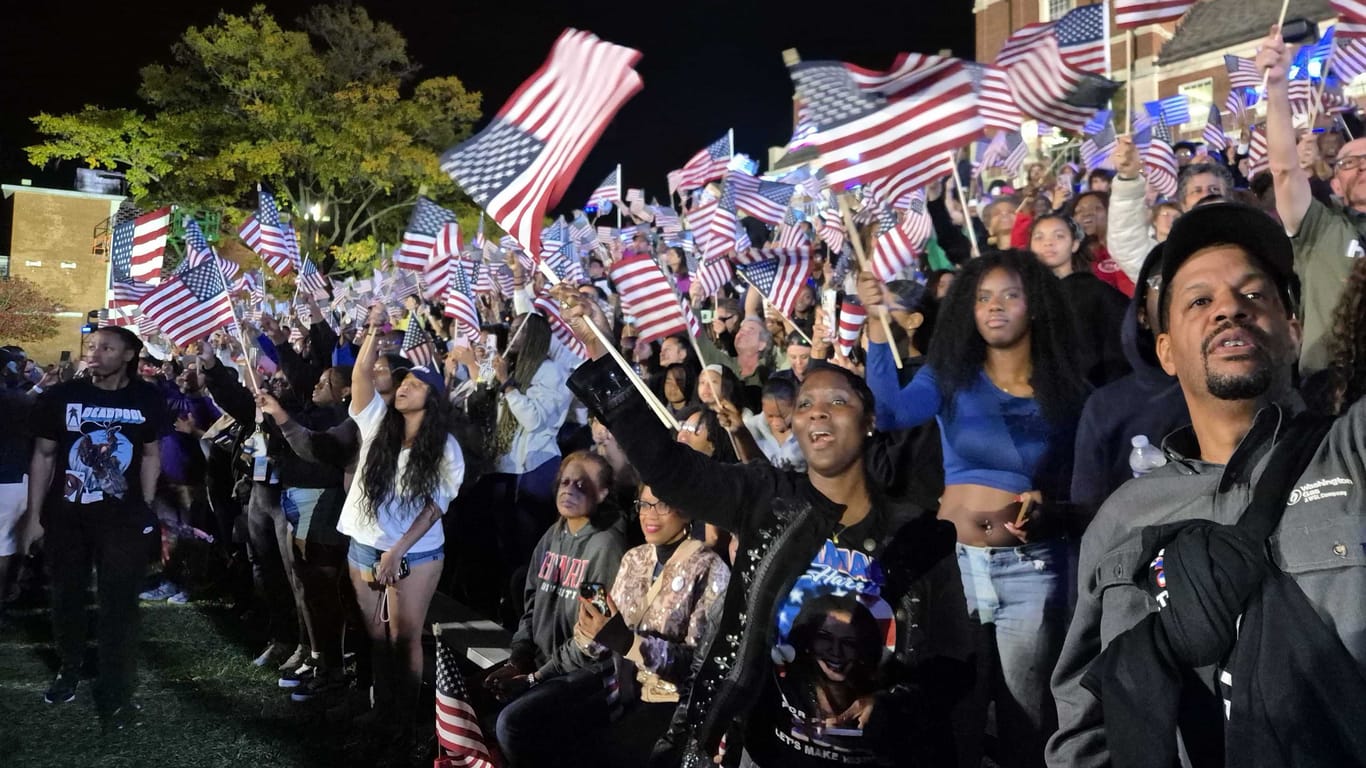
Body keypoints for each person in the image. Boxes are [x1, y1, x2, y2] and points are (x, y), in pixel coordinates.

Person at [561, 286, 973, 768]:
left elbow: (954, 665)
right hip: (766, 751)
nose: (817, 409)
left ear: (869, 422)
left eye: (837, 401)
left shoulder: (920, 536)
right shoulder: (766, 497)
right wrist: (602, 354)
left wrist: (896, 703)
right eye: (805, 404)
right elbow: (669, 469)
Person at [1049, 200, 1366, 767]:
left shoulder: (1351, 457)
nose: (1229, 311)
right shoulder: (1122, 519)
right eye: (1200, 300)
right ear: (1166, 351)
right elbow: (1084, 718)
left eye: (1253, 295)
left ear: (1293, 331)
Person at [861, 251, 1089, 768]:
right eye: (983, 297)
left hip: (1031, 573)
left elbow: (1087, 490)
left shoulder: (1069, 394)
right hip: (953, 570)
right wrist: (877, 328)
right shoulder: (949, 375)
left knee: (1024, 719)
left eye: (1010, 295)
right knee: (954, 713)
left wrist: (1050, 504)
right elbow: (891, 412)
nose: (995, 306)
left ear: (1035, 306)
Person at [27, 327, 169, 729]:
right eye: (92, 346)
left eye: (106, 347)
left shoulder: (146, 398)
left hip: (122, 518)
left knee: (119, 605)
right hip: (67, 516)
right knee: (67, 594)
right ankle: (69, 666)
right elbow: (43, 455)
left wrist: (144, 506)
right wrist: (35, 517)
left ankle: (116, 689)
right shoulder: (60, 397)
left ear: (128, 355)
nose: (95, 353)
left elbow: (151, 453)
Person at [338, 309, 464, 740]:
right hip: (364, 544)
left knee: (405, 637)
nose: (405, 386)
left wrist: (397, 552)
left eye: (416, 384)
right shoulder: (377, 422)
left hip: (416, 552)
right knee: (377, 637)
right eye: (404, 381)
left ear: (434, 398)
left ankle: (404, 722)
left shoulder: (445, 447)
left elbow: (434, 507)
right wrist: (374, 330)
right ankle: (381, 708)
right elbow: (360, 376)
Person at [488, 450, 628, 767]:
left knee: (510, 725)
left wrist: (535, 677)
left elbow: (593, 641)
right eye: (565, 482)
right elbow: (531, 601)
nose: (569, 489)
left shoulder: (605, 547)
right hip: (543, 664)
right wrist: (518, 656)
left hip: (585, 674)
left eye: (582, 484)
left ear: (603, 493)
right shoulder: (553, 535)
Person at [1260, 24, 1366, 375]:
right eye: (1350, 162)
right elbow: (1285, 170)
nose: (1363, 167)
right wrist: (1277, 88)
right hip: (1334, 395)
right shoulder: (1320, 227)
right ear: (1334, 183)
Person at [1069, 245, 1190, 510]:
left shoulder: (1261, 390)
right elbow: (1088, 513)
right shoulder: (1106, 407)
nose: (1185, 290)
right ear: (1142, 315)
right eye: (1163, 282)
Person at [1108, 137, 1234, 283]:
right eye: (1197, 191)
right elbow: (1127, 244)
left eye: (1214, 189)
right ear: (1183, 205)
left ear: (1228, 198)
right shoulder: (1169, 256)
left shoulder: (1249, 240)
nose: (1206, 195)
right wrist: (1128, 179)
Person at [1029, 214, 1131, 387]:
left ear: (1074, 244)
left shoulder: (1096, 292)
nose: (1048, 243)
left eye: (1059, 236)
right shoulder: (1024, 296)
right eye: (1039, 237)